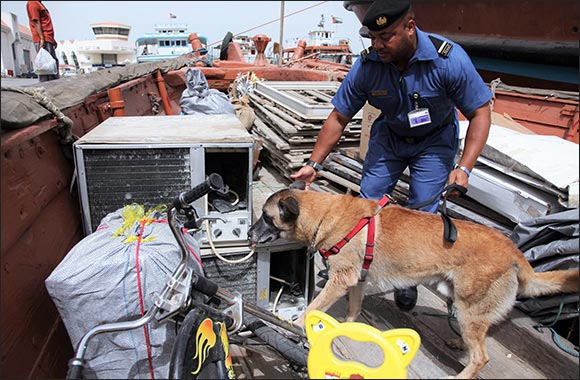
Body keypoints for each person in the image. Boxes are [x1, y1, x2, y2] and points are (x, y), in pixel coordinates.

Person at [291, 0, 492, 311]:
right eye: (372, 38)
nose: (378, 45)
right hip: (391, 138)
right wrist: (313, 164)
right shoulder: (368, 66)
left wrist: (464, 168)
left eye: (386, 37)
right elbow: (339, 117)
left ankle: (407, 279)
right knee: (365, 208)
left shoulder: (448, 60)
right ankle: (353, 268)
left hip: (435, 142)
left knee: (423, 215)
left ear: (410, 28)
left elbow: (479, 112)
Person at [26, 0, 60, 82]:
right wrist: (42, 38)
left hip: (47, 39)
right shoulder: (32, 3)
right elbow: (36, 21)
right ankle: (45, 88)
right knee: (45, 67)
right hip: (43, 39)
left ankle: (54, 86)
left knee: (52, 66)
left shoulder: (39, 4)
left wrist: (52, 39)